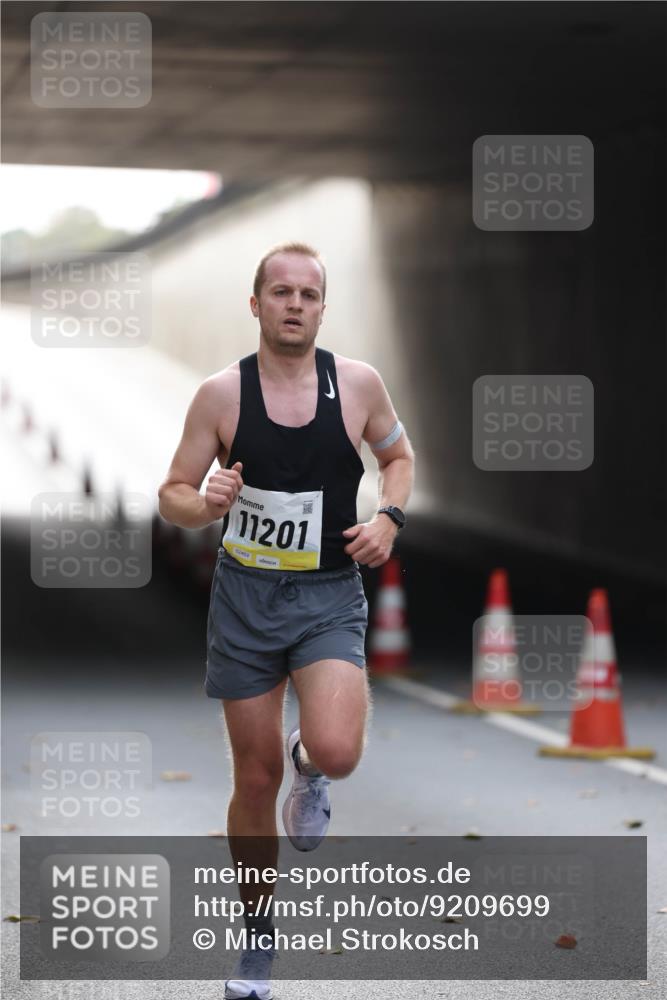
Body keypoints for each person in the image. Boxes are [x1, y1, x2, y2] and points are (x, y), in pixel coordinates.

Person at [158, 242, 414, 1000]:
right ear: (256, 304)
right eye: (279, 292)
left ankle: (312, 768)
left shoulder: (359, 384)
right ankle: (257, 941)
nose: (294, 304)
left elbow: (399, 458)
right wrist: (203, 503)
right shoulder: (220, 397)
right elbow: (171, 490)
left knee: (334, 752)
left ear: (322, 308)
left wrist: (390, 518)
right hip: (244, 599)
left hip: (328, 593)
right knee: (253, 775)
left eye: (308, 293)